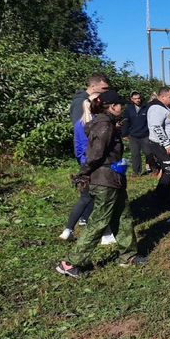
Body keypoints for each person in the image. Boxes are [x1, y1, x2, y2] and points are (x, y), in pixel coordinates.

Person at [56, 90, 148, 279]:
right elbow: (95, 154)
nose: (122, 107)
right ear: (111, 106)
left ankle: (128, 256)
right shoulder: (104, 124)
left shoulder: (109, 123)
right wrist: (84, 172)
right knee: (99, 221)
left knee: (123, 217)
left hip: (114, 178)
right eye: (119, 105)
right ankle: (70, 262)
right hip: (104, 179)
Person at [59, 93, 116, 244]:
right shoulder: (100, 123)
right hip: (98, 165)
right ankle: (105, 234)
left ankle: (68, 229)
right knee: (102, 199)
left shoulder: (79, 124)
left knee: (85, 198)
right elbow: (101, 148)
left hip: (85, 163)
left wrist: (83, 162)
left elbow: (78, 147)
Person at [147, 87, 170, 198]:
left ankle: (164, 194)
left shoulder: (165, 108)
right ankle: (160, 196)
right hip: (161, 145)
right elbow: (156, 127)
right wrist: (167, 144)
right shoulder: (156, 108)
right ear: (163, 96)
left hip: (169, 144)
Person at [123, 91, 153, 176]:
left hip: (145, 135)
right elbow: (126, 122)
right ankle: (136, 172)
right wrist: (124, 134)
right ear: (132, 99)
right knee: (135, 154)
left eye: (139, 98)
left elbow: (150, 120)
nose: (137, 100)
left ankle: (154, 168)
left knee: (149, 153)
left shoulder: (146, 107)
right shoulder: (129, 109)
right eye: (135, 99)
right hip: (133, 136)